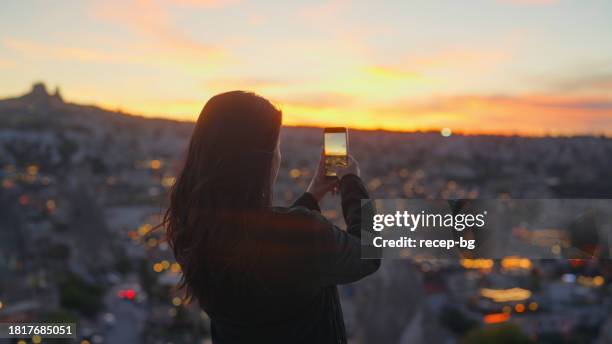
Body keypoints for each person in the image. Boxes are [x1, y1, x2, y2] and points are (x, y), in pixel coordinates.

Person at [163, 91, 380, 343]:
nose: (279, 156)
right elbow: (369, 254)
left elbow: (276, 239)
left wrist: (313, 193)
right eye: (276, 146)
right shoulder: (298, 235)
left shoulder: (192, 230)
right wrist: (352, 182)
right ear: (259, 163)